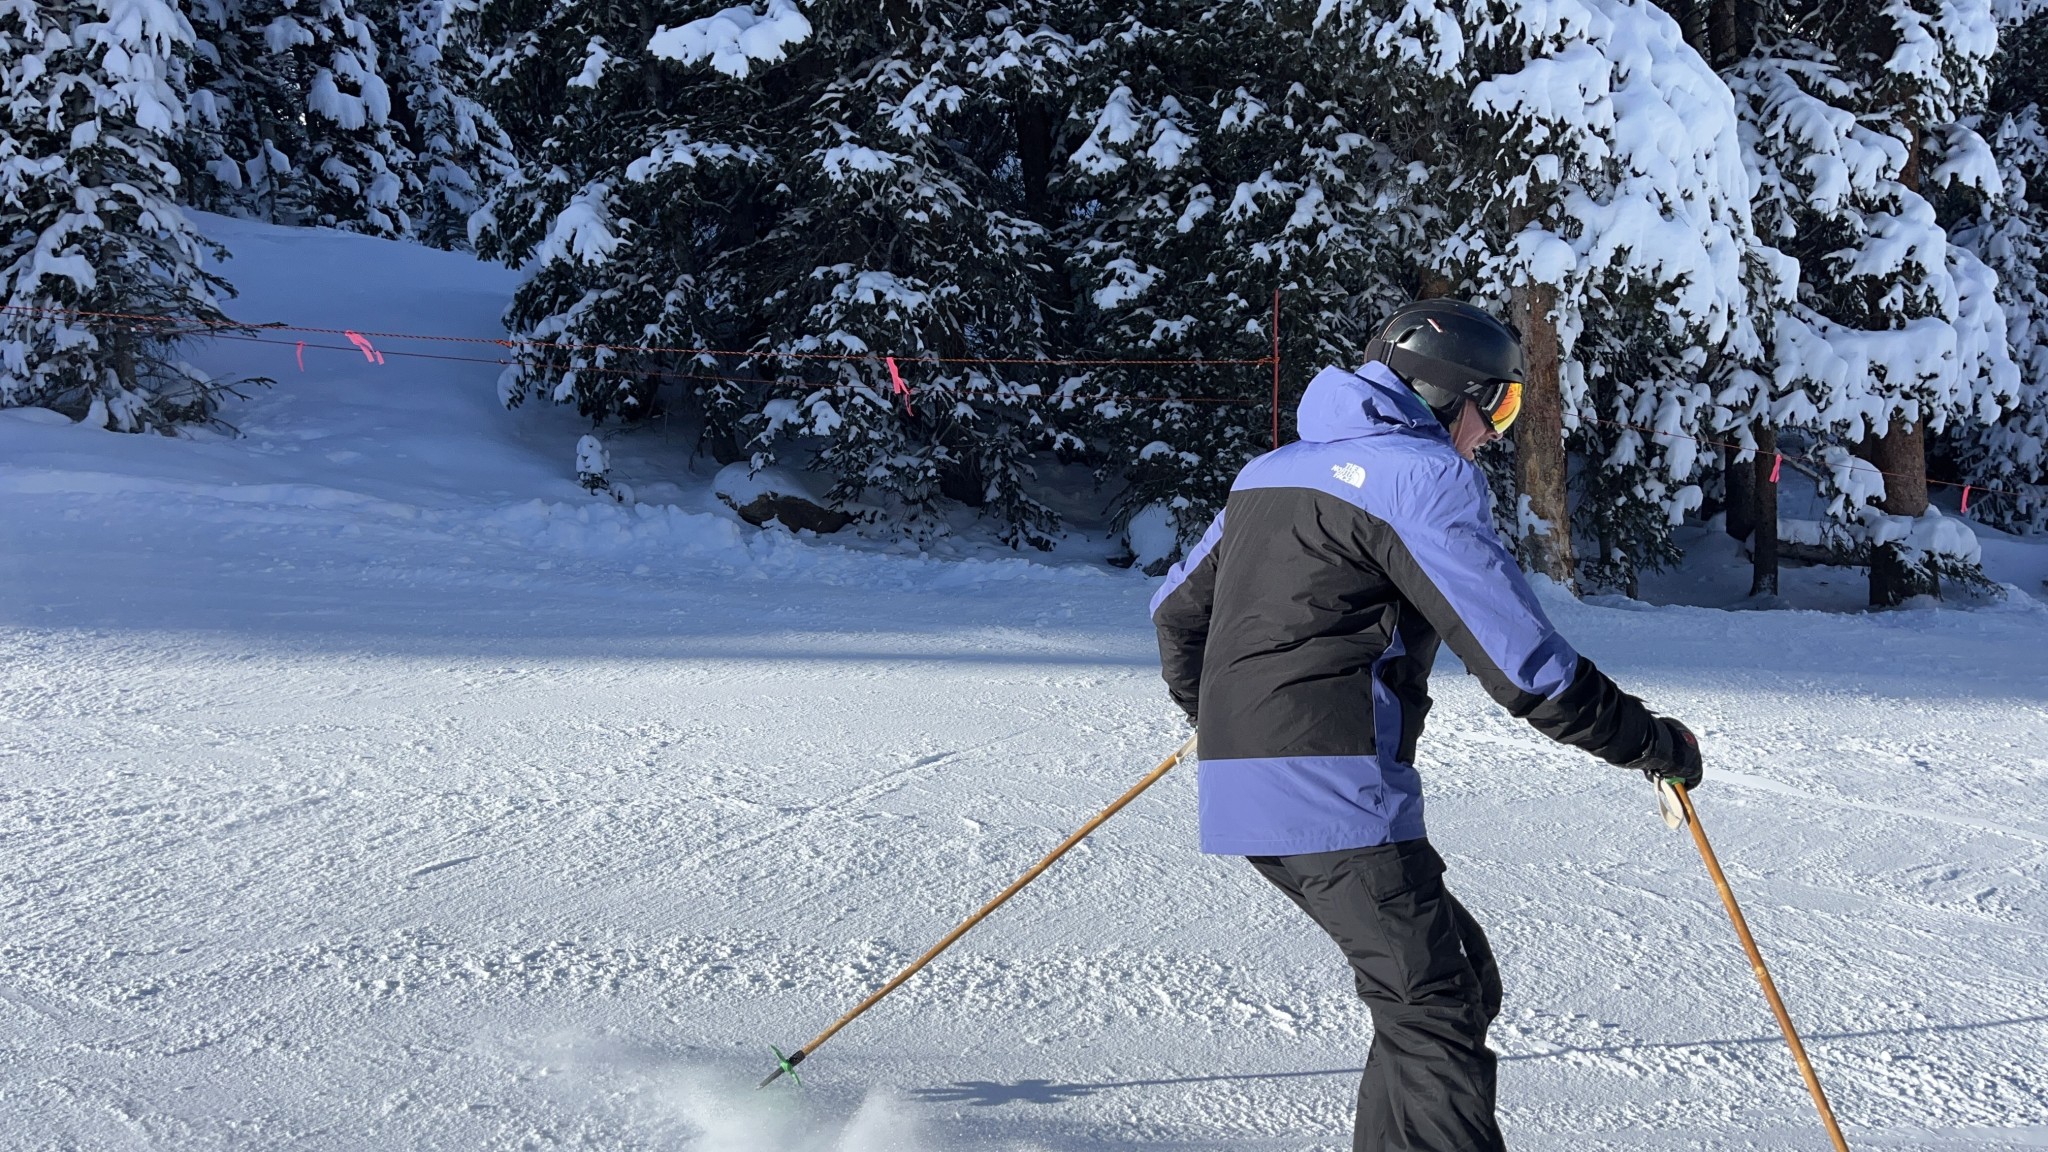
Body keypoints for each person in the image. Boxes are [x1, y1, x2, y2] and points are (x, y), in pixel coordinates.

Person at [1148, 299, 1702, 1152]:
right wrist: (1650, 743)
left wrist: (1221, 722)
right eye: (1499, 408)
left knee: (1446, 985)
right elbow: (1524, 666)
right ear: (1447, 394)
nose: (1494, 436)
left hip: (1250, 792)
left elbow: (1174, 611)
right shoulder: (1420, 476)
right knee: (1434, 1009)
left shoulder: (1269, 473)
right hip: (1336, 792)